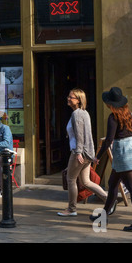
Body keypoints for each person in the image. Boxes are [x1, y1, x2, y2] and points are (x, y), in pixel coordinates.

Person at [89, 87, 132, 232]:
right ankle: (104, 215)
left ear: (111, 104)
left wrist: (98, 157)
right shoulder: (128, 114)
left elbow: (108, 140)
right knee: (112, 183)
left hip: (122, 152)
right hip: (131, 150)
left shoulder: (113, 117)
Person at [57, 88, 108, 217]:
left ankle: (71, 209)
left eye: (71, 97)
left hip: (79, 152)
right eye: (68, 96)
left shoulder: (77, 114)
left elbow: (80, 136)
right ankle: (109, 200)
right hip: (87, 153)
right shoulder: (84, 113)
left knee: (71, 179)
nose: (68, 99)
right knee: (86, 182)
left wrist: (78, 152)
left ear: (79, 100)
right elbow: (87, 135)